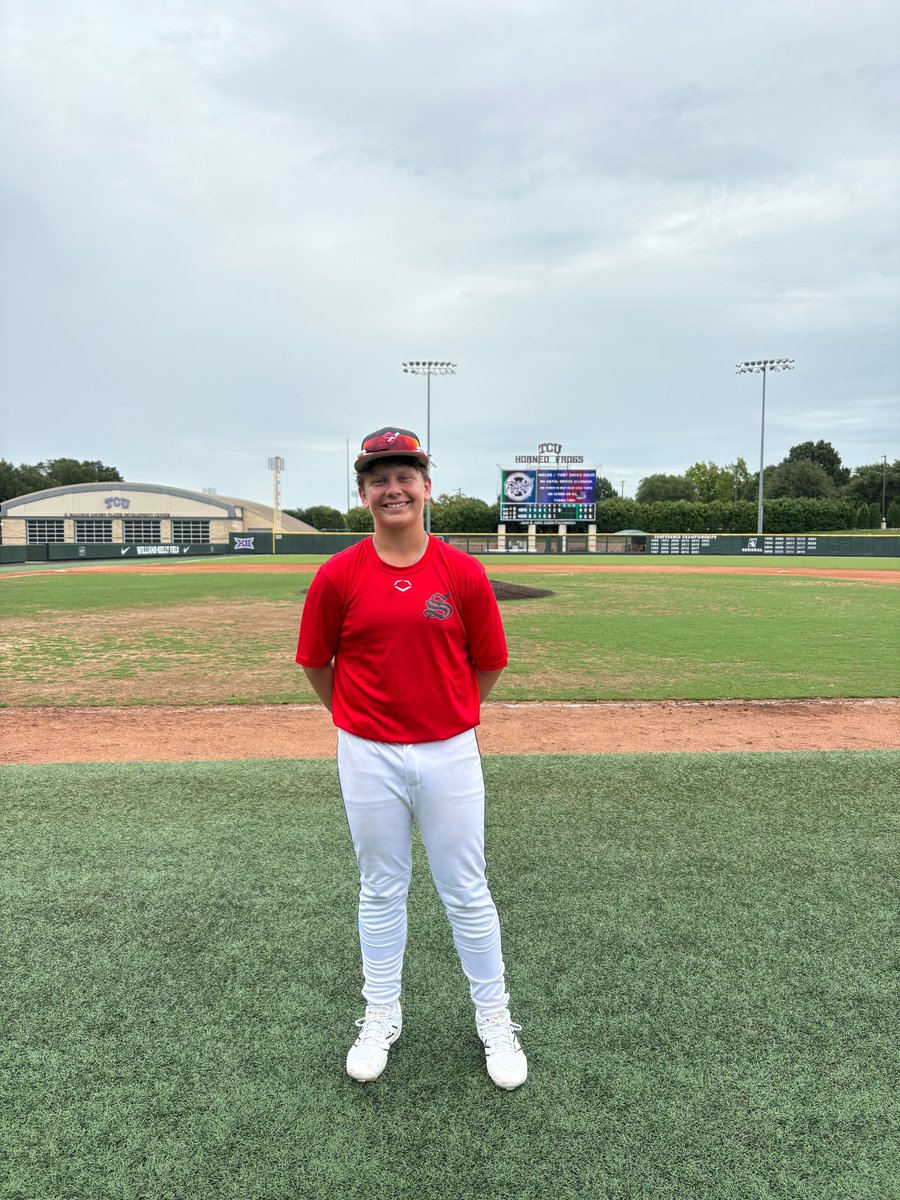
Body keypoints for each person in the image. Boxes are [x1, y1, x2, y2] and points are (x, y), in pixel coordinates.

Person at [295, 426, 527, 1090]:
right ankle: (380, 1015)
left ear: (427, 487)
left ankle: (495, 1020)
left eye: (405, 476)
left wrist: (445, 712)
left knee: (466, 890)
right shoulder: (339, 574)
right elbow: (316, 662)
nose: (392, 488)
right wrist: (358, 718)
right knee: (380, 888)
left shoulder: (461, 571)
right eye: (378, 478)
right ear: (363, 492)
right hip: (366, 753)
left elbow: (488, 662)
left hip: (449, 752)